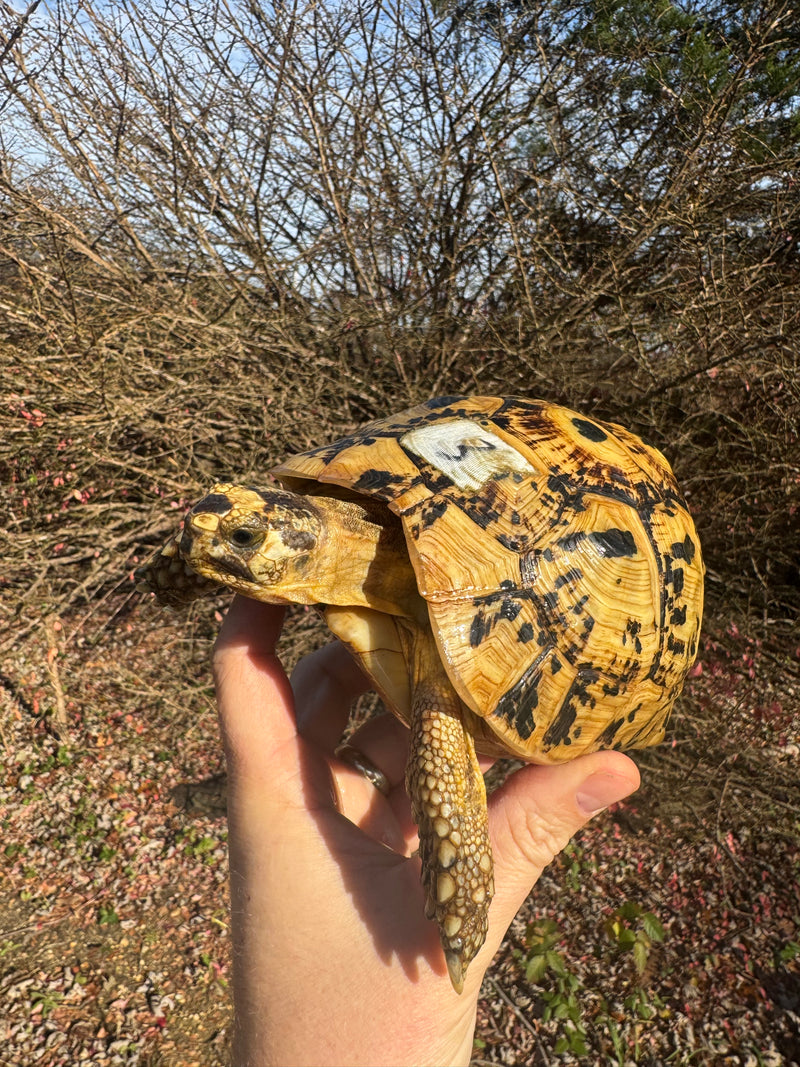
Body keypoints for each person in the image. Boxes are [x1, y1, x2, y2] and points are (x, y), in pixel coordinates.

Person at [213, 595, 641, 1067]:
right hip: (462, 630)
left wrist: (460, 892)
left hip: (580, 629)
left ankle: (461, 911)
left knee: (442, 761)